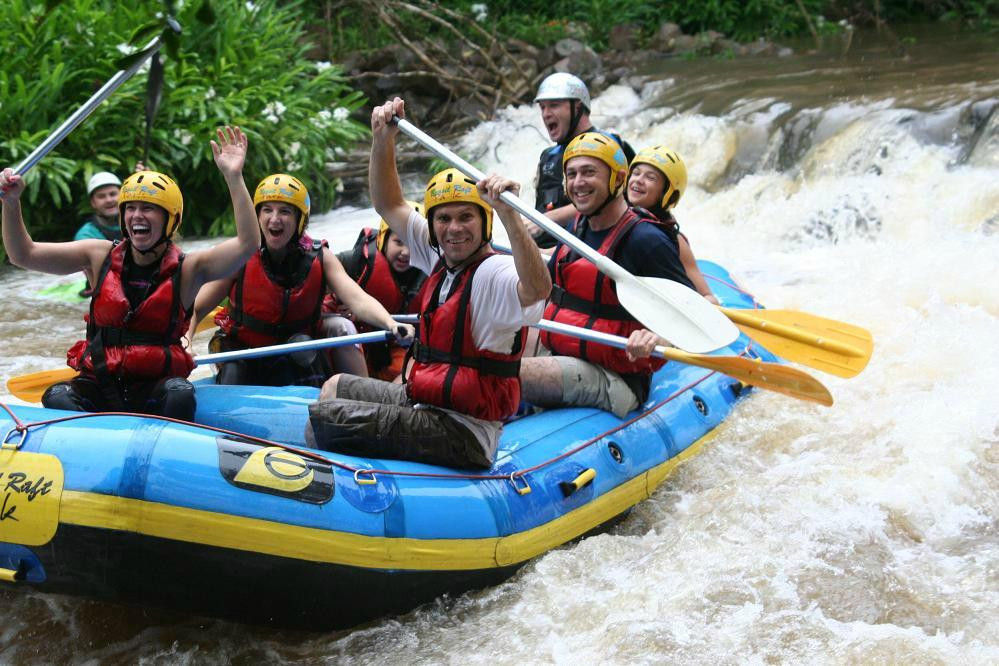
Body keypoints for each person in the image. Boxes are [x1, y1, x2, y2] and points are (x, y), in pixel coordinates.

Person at [305, 97, 551, 469]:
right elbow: (389, 204)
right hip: (428, 403)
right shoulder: (439, 256)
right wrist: (382, 138)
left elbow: (537, 290)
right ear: (433, 225)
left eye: (466, 217)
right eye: (444, 218)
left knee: (324, 422)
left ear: (485, 224)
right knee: (335, 387)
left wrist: (510, 216)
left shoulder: (494, 273)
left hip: (464, 430)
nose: (454, 228)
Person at [0, 126, 260, 420]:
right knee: (58, 395)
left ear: (170, 219)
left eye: (148, 208)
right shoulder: (97, 255)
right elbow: (23, 255)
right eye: (131, 208)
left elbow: (248, 244)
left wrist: (233, 177)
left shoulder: (190, 268)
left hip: (155, 388)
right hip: (101, 383)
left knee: (180, 393)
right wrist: (11, 204)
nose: (137, 215)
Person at [519, 131, 696, 419]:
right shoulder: (579, 225)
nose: (578, 183)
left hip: (615, 376)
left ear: (617, 179)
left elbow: (689, 312)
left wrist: (655, 336)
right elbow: (537, 289)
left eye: (589, 173)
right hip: (562, 351)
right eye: (572, 174)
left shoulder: (646, 239)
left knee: (499, 374)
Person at [191, 173, 412, 387]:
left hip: (296, 347)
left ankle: (359, 398)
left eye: (285, 211)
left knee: (310, 344)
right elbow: (197, 308)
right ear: (257, 217)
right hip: (244, 350)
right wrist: (187, 339)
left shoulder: (321, 258)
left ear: (300, 220)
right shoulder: (241, 256)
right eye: (267, 210)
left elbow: (358, 299)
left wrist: (390, 323)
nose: (274, 219)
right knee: (233, 370)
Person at [530, 73, 635, 248]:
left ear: (578, 108)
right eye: (542, 107)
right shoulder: (548, 156)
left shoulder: (610, 145)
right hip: (543, 252)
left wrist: (547, 220)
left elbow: (624, 199)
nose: (546, 114)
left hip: (589, 250)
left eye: (554, 106)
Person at [325, 208, 428, 381]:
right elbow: (315, 292)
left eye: (413, 245)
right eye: (399, 242)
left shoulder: (435, 271)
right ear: (382, 239)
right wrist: (338, 310)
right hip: (359, 340)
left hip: (398, 343)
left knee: (409, 371)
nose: (406, 252)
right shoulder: (353, 262)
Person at [625, 146, 718, 304]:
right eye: (636, 173)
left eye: (651, 177)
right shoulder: (609, 217)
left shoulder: (671, 239)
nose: (638, 180)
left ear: (666, 193)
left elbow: (708, 298)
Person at [74, 171, 123, 241]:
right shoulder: (86, 235)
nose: (108, 200)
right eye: (101, 196)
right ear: (93, 203)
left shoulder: (138, 221)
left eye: (113, 194)